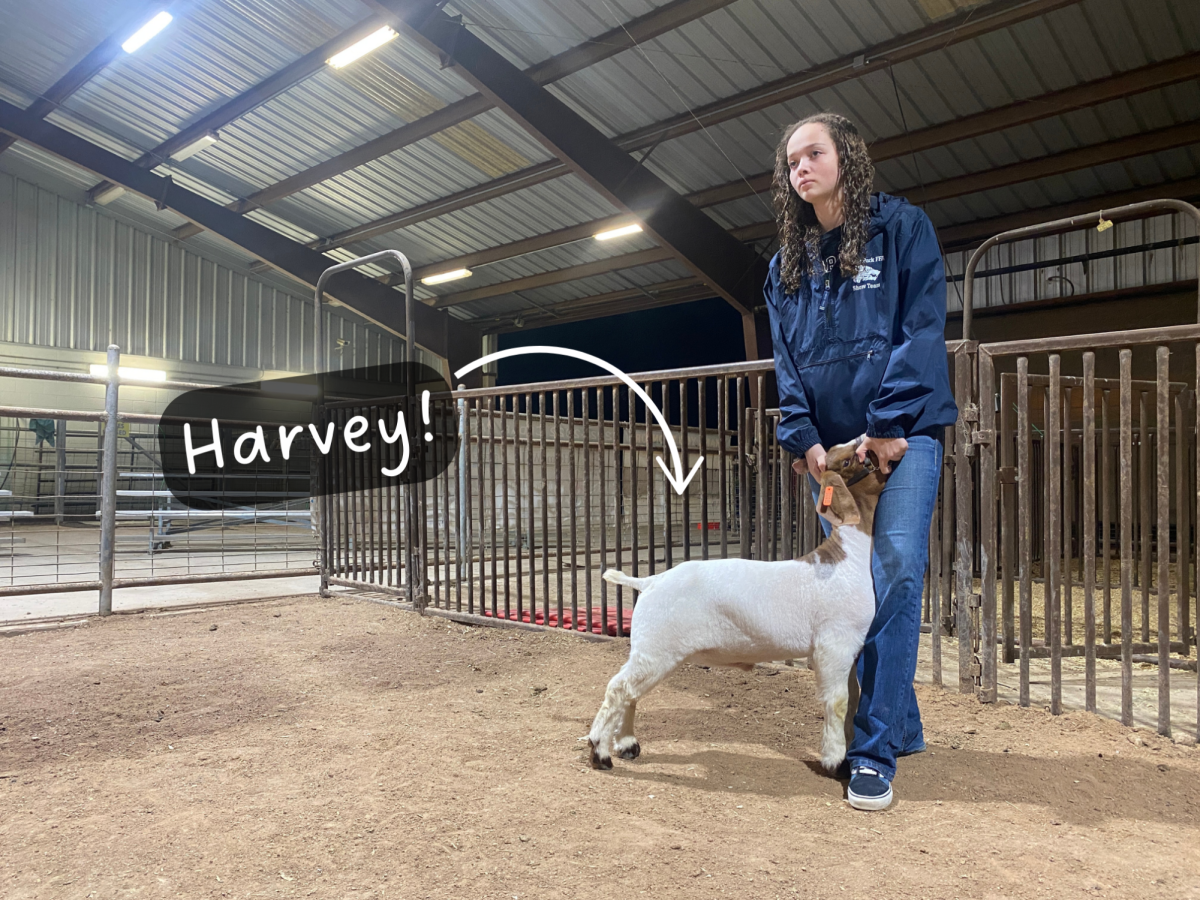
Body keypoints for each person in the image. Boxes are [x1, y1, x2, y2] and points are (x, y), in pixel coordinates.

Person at [764, 112, 958, 811]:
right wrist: (805, 438)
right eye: (791, 162)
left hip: (904, 437)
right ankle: (898, 725)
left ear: (847, 154)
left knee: (898, 571)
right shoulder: (785, 266)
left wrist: (887, 425)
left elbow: (920, 328)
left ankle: (873, 749)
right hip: (836, 455)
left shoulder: (902, 230)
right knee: (852, 593)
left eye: (813, 153)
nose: (801, 169)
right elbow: (788, 363)